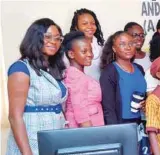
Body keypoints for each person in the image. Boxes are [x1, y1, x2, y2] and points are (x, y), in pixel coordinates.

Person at [7, 18, 68, 155]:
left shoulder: (54, 69)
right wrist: (27, 153)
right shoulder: (21, 68)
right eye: (48, 37)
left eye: (58, 38)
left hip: (54, 138)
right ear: (35, 37)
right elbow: (14, 117)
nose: (54, 41)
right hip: (31, 139)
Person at [99, 31, 148, 154]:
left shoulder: (139, 69)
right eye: (122, 44)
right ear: (114, 48)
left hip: (140, 124)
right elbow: (108, 107)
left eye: (131, 43)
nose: (128, 47)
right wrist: (115, 133)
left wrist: (146, 103)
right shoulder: (110, 71)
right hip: (121, 125)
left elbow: (144, 95)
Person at [63, 31, 104, 128]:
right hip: (87, 131)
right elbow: (80, 111)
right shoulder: (75, 75)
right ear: (71, 54)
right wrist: (89, 136)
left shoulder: (78, 74)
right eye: (84, 51)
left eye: (91, 50)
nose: (90, 54)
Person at [69, 8, 105, 81]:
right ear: (76, 27)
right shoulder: (70, 47)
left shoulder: (103, 46)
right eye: (85, 24)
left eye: (93, 23)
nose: (90, 27)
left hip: (100, 88)